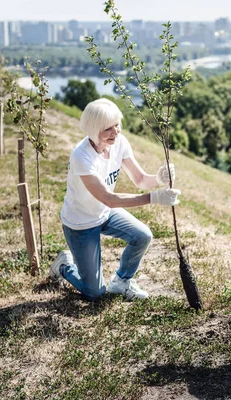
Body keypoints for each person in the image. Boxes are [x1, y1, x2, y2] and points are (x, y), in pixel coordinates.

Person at [50, 98, 181, 301]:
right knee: (95, 293)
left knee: (143, 236)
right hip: (81, 223)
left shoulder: (119, 142)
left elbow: (139, 179)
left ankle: (121, 281)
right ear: (93, 130)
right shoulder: (81, 157)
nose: (116, 132)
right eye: (107, 129)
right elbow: (109, 198)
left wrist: (158, 178)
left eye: (117, 125)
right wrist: (154, 198)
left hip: (105, 213)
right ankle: (64, 266)